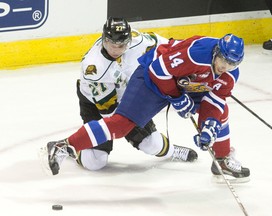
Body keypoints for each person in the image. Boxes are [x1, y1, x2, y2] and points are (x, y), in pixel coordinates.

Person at [47, 32, 250, 182]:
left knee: (221, 114)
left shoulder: (230, 75)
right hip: (152, 79)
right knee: (121, 125)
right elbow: (159, 70)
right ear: (216, 52)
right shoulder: (197, 54)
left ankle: (222, 159)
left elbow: (214, 102)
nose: (224, 67)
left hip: (185, 85)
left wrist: (208, 127)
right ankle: (63, 146)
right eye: (223, 60)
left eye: (231, 64)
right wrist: (178, 99)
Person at [53, 17, 198, 174]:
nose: (116, 49)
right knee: (95, 161)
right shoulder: (94, 68)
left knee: (152, 144)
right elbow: (110, 114)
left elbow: (172, 49)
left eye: (121, 45)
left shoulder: (140, 41)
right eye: (111, 44)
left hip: (129, 93)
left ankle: (173, 151)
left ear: (129, 40)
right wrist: (131, 126)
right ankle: (72, 149)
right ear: (104, 39)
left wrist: (186, 68)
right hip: (95, 103)